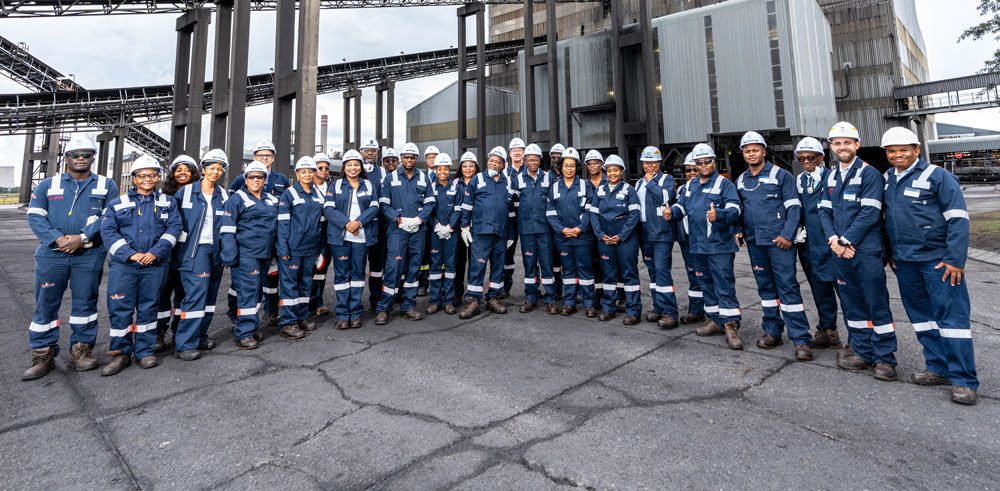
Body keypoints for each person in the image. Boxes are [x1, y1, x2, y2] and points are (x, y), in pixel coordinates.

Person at [881, 126, 978, 405]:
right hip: (905, 261)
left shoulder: (939, 176)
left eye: (903, 149)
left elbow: (959, 218)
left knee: (952, 319)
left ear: (916, 150)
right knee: (922, 316)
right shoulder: (888, 179)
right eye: (891, 150)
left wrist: (955, 259)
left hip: (939, 262)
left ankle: (964, 380)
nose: (897, 154)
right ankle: (938, 367)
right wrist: (890, 253)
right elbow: (888, 220)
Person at [23, 133, 117, 381]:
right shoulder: (47, 185)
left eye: (86, 155)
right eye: (75, 155)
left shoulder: (107, 185)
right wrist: (58, 239)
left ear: (93, 158)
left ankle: (81, 351)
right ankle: (43, 355)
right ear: (66, 158)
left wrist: (82, 237)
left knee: (85, 305)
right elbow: (34, 216)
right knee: (46, 304)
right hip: (52, 254)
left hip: (88, 254)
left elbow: (110, 217)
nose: (81, 158)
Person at [820, 122, 897, 381]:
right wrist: (834, 240)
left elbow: (870, 213)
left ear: (857, 144)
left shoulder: (869, 174)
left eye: (847, 142)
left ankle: (885, 359)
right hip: (840, 252)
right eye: (837, 143)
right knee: (852, 304)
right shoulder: (831, 176)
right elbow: (824, 210)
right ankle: (862, 352)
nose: (842, 147)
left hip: (865, 251)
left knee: (876, 304)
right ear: (831, 147)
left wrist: (844, 241)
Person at [99, 155, 183, 375]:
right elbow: (108, 231)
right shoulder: (118, 203)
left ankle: (144, 352)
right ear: (134, 178)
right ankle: (120, 354)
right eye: (143, 175)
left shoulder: (168, 202)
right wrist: (131, 254)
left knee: (149, 308)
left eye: (153, 175)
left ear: (158, 177)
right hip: (124, 266)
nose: (148, 179)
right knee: (120, 309)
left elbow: (174, 228)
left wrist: (155, 253)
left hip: (155, 265)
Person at [734, 131, 812, 360]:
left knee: (787, 287)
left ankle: (801, 339)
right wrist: (739, 230)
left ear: (764, 152)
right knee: (766, 290)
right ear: (743, 154)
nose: (751, 153)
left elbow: (794, 207)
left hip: (779, 243)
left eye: (755, 149)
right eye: (747, 150)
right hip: (755, 243)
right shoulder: (741, 180)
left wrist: (788, 235)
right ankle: (772, 331)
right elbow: (738, 209)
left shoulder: (781, 175)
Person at [663, 143, 744, 350]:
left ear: (713, 162)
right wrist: (672, 212)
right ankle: (715, 320)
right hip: (697, 245)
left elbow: (736, 209)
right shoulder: (690, 186)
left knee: (723, 285)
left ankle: (730, 325)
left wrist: (721, 215)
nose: (703, 165)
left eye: (707, 161)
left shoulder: (724, 185)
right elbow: (682, 206)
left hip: (719, 246)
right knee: (706, 284)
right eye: (699, 163)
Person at [172, 149, 231, 361]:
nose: (215, 172)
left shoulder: (224, 195)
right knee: (195, 296)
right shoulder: (185, 192)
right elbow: (174, 222)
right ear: (203, 169)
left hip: (215, 251)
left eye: (219, 169)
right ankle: (185, 343)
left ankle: (200, 335)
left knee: (210, 296)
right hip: (192, 251)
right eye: (211, 168)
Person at [228, 139, 289, 326]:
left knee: (268, 282)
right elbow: (232, 214)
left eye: (268, 155)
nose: (264, 158)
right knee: (243, 286)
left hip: (269, 244)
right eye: (261, 155)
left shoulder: (281, 180)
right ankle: (237, 318)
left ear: (273, 158)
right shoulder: (240, 183)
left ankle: (268, 313)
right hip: (248, 247)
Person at [220, 161, 279, 349]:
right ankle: (243, 333)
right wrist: (229, 255)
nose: (255, 180)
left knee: (256, 293)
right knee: (248, 294)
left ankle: (251, 326)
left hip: (264, 254)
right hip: (246, 254)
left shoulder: (270, 199)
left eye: (259, 177)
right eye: (251, 176)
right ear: (245, 179)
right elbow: (227, 228)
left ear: (265, 180)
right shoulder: (237, 199)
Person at [375, 142, 434, 325]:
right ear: (401, 158)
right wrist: (398, 219)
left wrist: (419, 220)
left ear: (416, 159)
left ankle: (408, 306)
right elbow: (384, 205)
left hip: (417, 230)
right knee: (393, 268)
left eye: (412, 157)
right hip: (397, 230)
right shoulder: (390, 178)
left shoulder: (424, 178)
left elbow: (430, 202)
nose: (409, 160)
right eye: (406, 157)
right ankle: (384, 308)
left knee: (414, 268)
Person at [793, 138, 842, 350]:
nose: (806, 161)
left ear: (821, 157)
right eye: (802, 158)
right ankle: (828, 330)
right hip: (810, 246)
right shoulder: (799, 181)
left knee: (846, 292)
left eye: (810, 157)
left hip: (832, 244)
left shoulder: (834, 178)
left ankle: (860, 340)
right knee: (819, 290)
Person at [324, 150, 380, 329]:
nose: (353, 168)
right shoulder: (335, 185)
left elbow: (375, 207)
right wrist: (348, 224)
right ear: (344, 167)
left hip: (361, 237)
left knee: (357, 275)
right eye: (349, 164)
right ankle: (342, 314)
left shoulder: (368, 185)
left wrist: (359, 223)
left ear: (361, 167)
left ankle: (355, 313)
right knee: (341, 275)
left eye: (356, 164)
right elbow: (328, 209)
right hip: (340, 237)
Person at [460, 146, 515, 318]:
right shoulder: (477, 179)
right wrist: (464, 227)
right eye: (491, 160)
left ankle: (493, 298)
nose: (493, 163)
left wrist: (511, 234)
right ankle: (473, 301)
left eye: (497, 162)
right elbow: (467, 205)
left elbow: (511, 211)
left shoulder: (507, 183)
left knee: (498, 267)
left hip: (500, 233)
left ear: (503, 165)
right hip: (481, 232)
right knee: (477, 266)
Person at [275, 156, 326, 340]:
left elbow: (321, 224)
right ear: (297, 174)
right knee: (290, 286)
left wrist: (320, 249)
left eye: (310, 171)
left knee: (305, 284)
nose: (307, 175)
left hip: (310, 248)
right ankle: (288, 323)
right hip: (292, 249)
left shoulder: (317, 195)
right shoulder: (288, 195)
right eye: (303, 171)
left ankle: (301, 317)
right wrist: (283, 249)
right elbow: (282, 225)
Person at [156, 154, 201, 352]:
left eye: (187, 169)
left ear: (194, 172)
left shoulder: (201, 193)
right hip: (166, 250)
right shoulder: (163, 195)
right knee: (162, 294)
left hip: (188, 251)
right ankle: (158, 332)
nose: (183, 173)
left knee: (183, 295)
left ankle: (178, 331)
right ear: (172, 173)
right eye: (178, 169)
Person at [590, 155, 642, 325]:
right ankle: (608, 308)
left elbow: (634, 215)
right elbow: (594, 214)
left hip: (625, 239)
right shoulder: (600, 190)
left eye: (616, 170)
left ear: (621, 171)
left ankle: (633, 311)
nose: (612, 173)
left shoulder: (629, 190)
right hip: (605, 239)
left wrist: (621, 236)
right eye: (609, 170)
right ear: (606, 172)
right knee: (609, 274)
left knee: (629, 274)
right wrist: (600, 234)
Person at [546, 147, 597, 317]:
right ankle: (569, 302)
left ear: (576, 167)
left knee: (585, 269)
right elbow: (551, 213)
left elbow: (590, 210)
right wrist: (562, 230)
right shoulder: (554, 188)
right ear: (561, 167)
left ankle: (589, 304)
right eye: (566, 165)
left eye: (572, 166)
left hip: (582, 237)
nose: (569, 169)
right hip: (563, 238)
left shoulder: (585, 185)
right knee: (567, 270)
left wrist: (580, 228)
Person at [634, 146, 679, 329]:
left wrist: (651, 182)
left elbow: (665, 196)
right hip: (644, 232)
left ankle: (670, 312)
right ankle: (658, 307)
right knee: (652, 271)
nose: (650, 165)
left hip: (661, 232)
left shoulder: (666, 179)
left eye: (653, 162)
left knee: (661, 271)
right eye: (646, 162)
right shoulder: (638, 183)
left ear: (659, 163)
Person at [512, 144, 558, 314]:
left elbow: (554, 202)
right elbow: (514, 205)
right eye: (529, 159)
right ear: (525, 161)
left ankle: (551, 298)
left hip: (545, 229)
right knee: (529, 265)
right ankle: (531, 297)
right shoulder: (518, 180)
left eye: (535, 159)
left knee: (547, 264)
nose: (532, 162)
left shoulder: (549, 178)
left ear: (540, 160)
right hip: (526, 230)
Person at [426, 153, 462, 315]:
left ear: (449, 170)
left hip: (451, 234)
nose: (442, 172)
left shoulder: (455, 187)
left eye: (445, 169)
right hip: (435, 233)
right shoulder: (430, 188)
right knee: (435, 266)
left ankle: (448, 301)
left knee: (450, 267)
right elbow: (429, 211)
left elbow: (458, 210)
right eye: (439, 169)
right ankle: (434, 301)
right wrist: (437, 226)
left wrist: (449, 227)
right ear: (435, 169)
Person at [675, 153, 707, 325]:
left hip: (705, 240)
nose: (692, 173)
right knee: (693, 274)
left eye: (695, 169)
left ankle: (714, 313)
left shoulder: (711, 187)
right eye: (689, 170)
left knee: (708, 276)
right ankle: (696, 310)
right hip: (687, 239)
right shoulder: (680, 190)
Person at [367, 146, 397, 312]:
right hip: (370, 225)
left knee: (391, 263)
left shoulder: (385, 175)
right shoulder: (365, 173)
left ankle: (391, 296)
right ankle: (376, 298)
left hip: (387, 225)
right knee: (376, 265)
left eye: (393, 160)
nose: (390, 163)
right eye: (388, 160)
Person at [452, 152, 479, 307]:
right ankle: (457, 292)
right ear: (460, 167)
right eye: (465, 166)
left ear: (476, 168)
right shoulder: (455, 183)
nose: (468, 169)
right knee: (459, 261)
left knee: (474, 262)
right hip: (458, 227)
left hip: (475, 227)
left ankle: (472, 294)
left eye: (471, 166)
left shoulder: (481, 181)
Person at [308, 153, 333, 317]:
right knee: (307, 268)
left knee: (321, 267)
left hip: (328, 229)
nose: (323, 170)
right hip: (310, 230)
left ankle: (317, 301)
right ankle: (304, 302)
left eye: (326, 167)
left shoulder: (332, 186)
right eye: (319, 167)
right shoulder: (306, 186)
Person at [502, 137, 527, 298]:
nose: (517, 152)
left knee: (531, 256)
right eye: (514, 150)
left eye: (519, 150)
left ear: (524, 152)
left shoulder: (531, 169)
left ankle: (533, 290)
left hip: (526, 219)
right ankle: (505, 287)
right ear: (510, 153)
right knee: (507, 255)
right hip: (509, 220)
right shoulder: (504, 173)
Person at [418, 145, 441, 298]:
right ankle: (422, 283)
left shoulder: (446, 176)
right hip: (425, 221)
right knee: (423, 254)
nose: (432, 159)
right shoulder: (421, 177)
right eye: (429, 157)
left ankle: (439, 282)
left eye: (434, 157)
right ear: (425, 160)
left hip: (439, 222)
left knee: (439, 255)